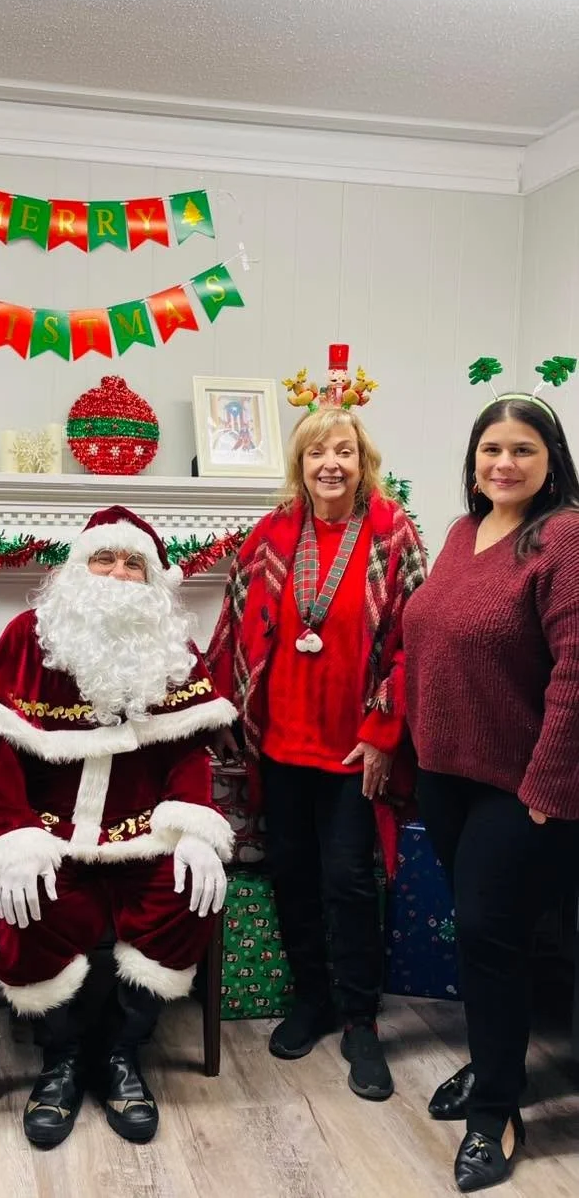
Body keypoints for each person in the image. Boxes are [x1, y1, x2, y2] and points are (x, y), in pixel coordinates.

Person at [0, 506, 237, 1148]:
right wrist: (16, 840)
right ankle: (62, 1060)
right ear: (78, 570)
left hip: (142, 837)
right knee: (32, 907)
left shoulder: (172, 648)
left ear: (152, 579)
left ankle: (121, 1054)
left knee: (187, 897)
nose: (117, 573)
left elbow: (188, 750)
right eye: (104, 559)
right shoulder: (29, 636)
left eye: (133, 562)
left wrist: (195, 828)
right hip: (50, 837)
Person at [206, 357, 427, 1102]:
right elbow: (234, 629)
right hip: (281, 745)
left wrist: (383, 731)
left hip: (354, 749)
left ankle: (361, 1019)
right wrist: (224, 711)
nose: (330, 464)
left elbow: (413, 644)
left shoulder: (396, 535)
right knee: (291, 875)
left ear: (364, 464)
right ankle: (314, 997)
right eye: (316, 452)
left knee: (346, 881)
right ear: (299, 463)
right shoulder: (271, 530)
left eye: (345, 453)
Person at [404, 376, 579, 1193]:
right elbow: (432, 643)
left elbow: (577, 670)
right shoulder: (460, 531)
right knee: (482, 938)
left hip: (523, 784)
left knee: (487, 931)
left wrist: (548, 780)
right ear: (472, 463)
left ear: (552, 462)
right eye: (491, 449)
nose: (504, 462)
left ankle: (496, 1111)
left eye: (522, 449)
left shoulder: (565, 538)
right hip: (445, 775)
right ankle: (492, 1063)